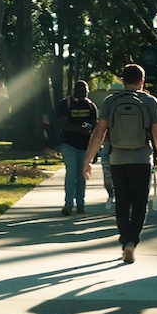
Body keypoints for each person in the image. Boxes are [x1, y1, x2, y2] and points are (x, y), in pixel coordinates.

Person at [83, 64, 157, 264]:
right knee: (139, 203)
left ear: (122, 80)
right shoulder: (150, 101)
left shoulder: (111, 101)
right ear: (142, 81)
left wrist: (88, 160)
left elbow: (99, 132)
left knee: (122, 202)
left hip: (117, 159)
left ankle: (124, 242)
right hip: (141, 159)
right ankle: (132, 241)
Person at [56, 80, 98, 215]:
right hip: (69, 144)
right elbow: (63, 123)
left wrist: (95, 148)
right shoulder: (66, 104)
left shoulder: (91, 106)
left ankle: (81, 204)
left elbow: (96, 128)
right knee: (71, 173)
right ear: (75, 90)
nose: (83, 94)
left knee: (82, 175)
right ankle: (68, 204)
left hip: (85, 146)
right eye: (80, 91)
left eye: (85, 92)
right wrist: (76, 129)